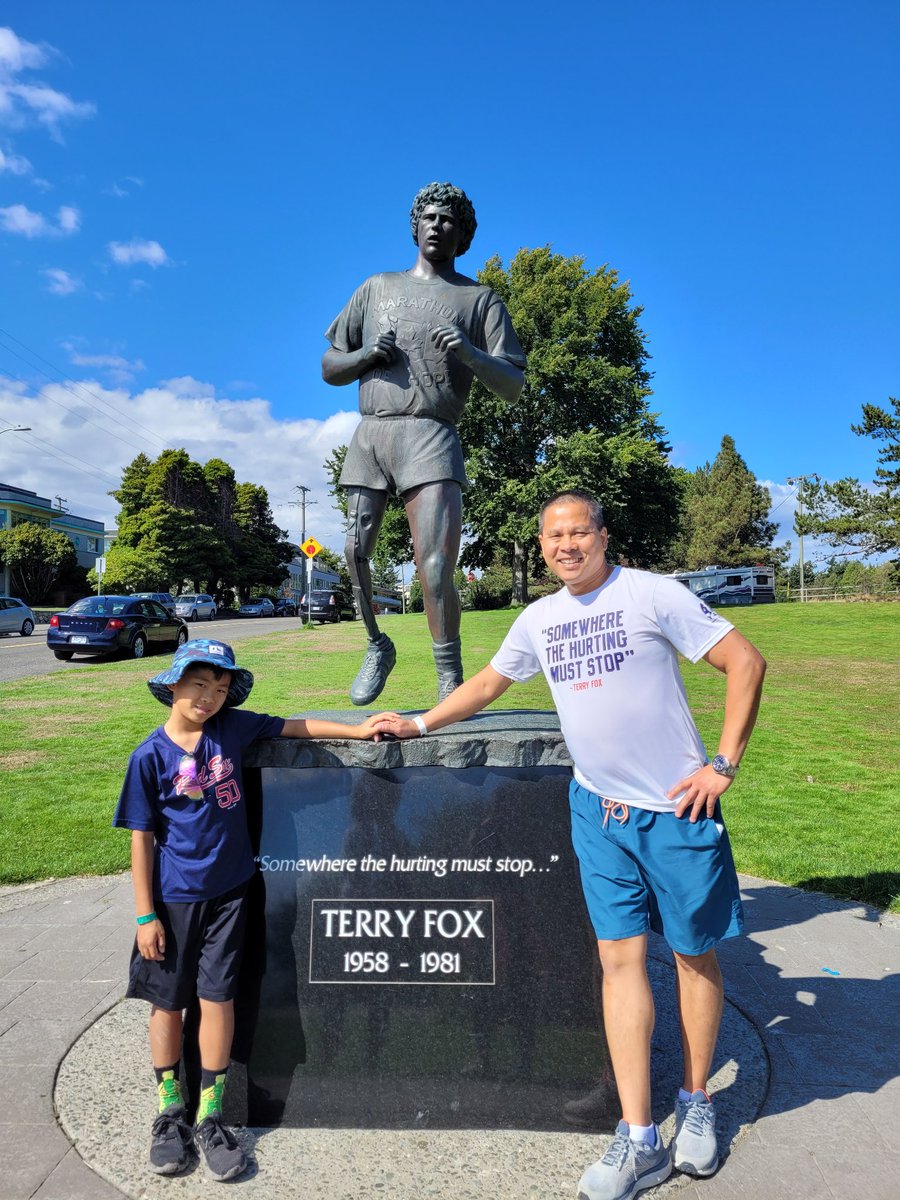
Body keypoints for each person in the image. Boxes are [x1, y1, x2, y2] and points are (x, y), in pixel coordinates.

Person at [372, 489, 766, 1200]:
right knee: (619, 964)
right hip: (597, 812)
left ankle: (697, 1100)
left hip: (676, 810)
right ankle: (640, 1137)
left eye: (578, 531)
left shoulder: (653, 596)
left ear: (603, 536)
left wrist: (724, 764)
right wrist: (421, 723)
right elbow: (491, 682)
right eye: (553, 536)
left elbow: (745, 661)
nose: (566, 545)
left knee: (692, 957)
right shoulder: (540, 617)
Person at [113, 638, 382, 1181]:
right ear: (172, 685)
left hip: (231, 897)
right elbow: (141, 839)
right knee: (167, 1005)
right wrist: (145, 915)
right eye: (198, 685)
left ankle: (210, 1115)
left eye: (219, 689)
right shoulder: (149, 757)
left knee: (218, 998)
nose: (209, 697)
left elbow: (296, 727)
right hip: (173, 902)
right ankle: (170, 1112)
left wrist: (358, 731)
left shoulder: (233, 730)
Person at [322, 181, 526, 706]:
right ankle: (376, 644)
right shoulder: (376, 288)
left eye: (449, 221)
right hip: (372, 432)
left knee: (434, 564)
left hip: (432, 434)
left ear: (464, 235)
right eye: (430, 217)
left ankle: (448, 677)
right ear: (415, 227)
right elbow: (329, 367)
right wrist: (368, 354)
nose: (438, 225)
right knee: (353, 551)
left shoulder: (479, 299)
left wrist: (472, 355)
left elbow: (512, 384)